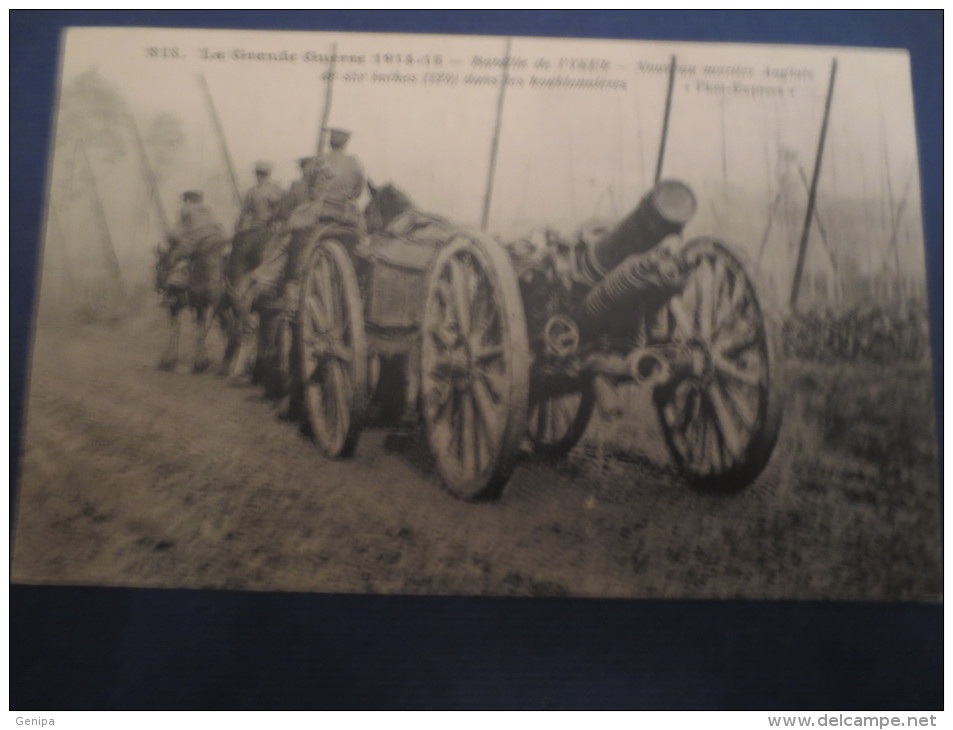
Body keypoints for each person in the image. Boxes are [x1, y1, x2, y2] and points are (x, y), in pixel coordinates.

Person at [236, 161, 284, 233]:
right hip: (274, 227)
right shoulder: (277, 189)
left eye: (258, 174)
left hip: (259, 228)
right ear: (268, 174)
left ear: (258, 175)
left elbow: (244, 213)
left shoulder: (251, 192)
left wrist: (239, 227)